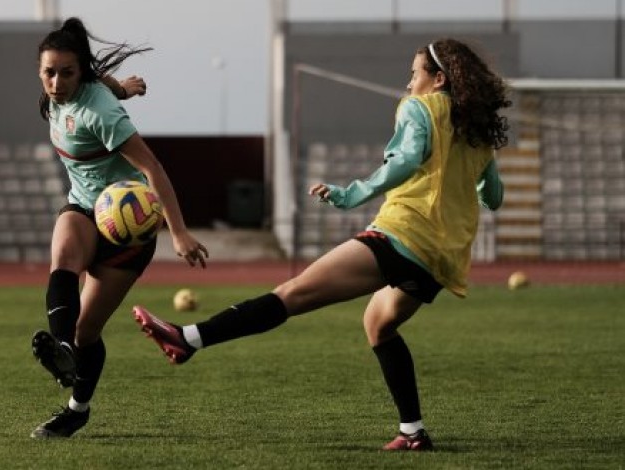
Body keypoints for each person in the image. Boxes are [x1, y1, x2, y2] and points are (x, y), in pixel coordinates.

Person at [133, 37, 508, 451]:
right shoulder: (477, 133)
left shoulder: (420, 108)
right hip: (440, 260)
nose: (408, 82)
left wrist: (350, 195)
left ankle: (187, 338)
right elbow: (493, 197)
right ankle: (412, 431)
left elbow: (406, 160)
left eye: (415, 73)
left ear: (437, 80)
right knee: (378, 325)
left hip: (404, 235)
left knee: (292, 293)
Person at [30, 17, 209, 439]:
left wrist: (178, 232)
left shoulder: (100, 112)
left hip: (129, 229)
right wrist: (121, 86)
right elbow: (95, 79)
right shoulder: (55, 99)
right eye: (48, 72)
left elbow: (152, 166)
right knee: (63, 257)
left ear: (81, 72)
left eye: (65, 72)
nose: (55, 81)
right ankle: (63, 352)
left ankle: (77, 408)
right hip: (85, 209)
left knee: (87, 330)